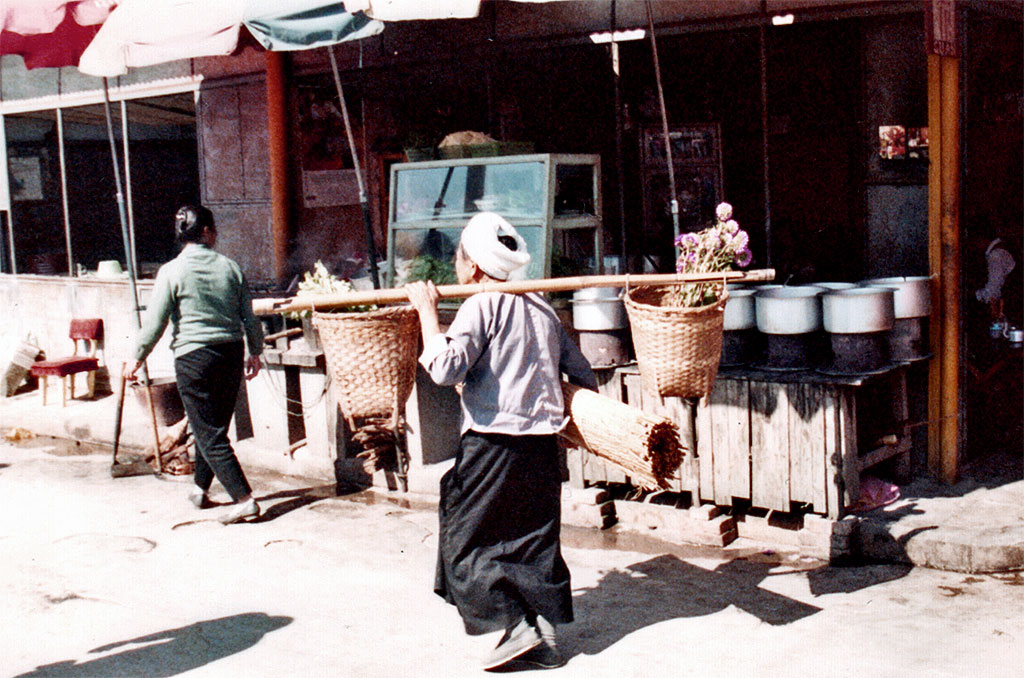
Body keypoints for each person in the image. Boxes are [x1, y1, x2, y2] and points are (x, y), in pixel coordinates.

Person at [405, 212, 597, 671]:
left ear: (472, 266)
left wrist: (427, 315)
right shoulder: (542, 309)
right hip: (540, 449)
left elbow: (446, 369)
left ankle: (519, 625)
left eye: (457, 257)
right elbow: (584, 375)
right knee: (530, 541)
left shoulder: (482, 304)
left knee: (464, 540)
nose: (455, 265)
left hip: (492, 447)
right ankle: (540, 635)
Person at [127, 205, 265, 525]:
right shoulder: (231, 268)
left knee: (209, 431)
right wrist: (255, 352)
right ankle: (200, 490)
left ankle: (244, 499)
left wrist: (136, 357)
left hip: (194, 359)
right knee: (212, 427)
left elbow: (155, 323)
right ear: (205, 232)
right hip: (230, 353)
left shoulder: (171, 271)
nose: (215, 234)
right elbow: (249, 317)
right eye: (213, 229)